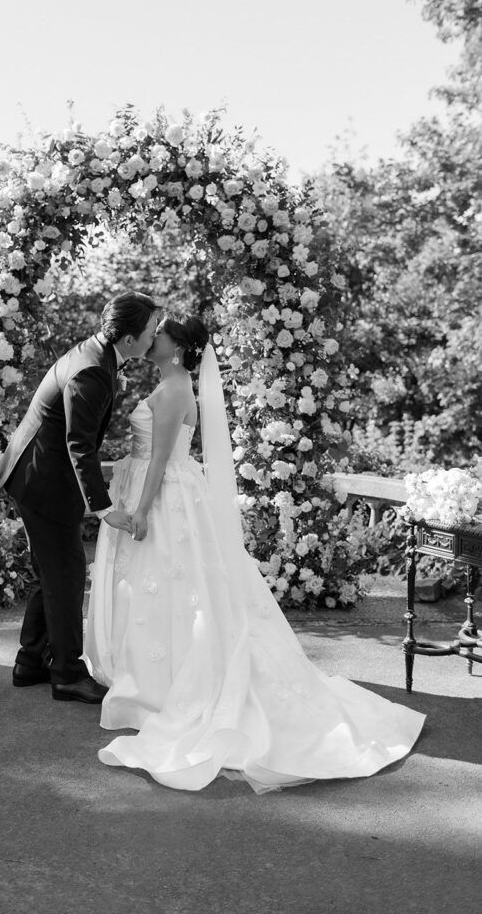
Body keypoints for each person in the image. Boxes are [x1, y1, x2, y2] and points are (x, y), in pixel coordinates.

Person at [84, 315, 425, 791]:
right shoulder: (172, 385)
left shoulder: (174, 389)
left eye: (159, 333)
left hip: (164, 500)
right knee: (174, 592)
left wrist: (140, 511)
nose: (151, 337)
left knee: (174, 588)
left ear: (177, 347)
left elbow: (160, 459)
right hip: (171, 494)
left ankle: (160, 686)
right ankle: (150, 679)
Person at [0, 291, 158, 704]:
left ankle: (30, 662)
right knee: (67, 575)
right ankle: (66, 673)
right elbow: (80, 445)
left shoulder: (99, 355)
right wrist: (104, 508)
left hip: (36, 474)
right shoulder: (92, 371)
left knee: (51, 571)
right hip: (42, 481)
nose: (155, 337)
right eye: (151, 331)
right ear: (129, 340)